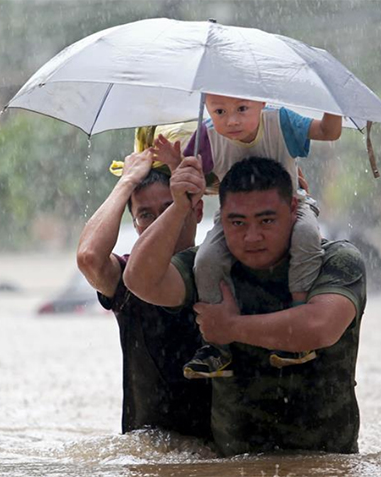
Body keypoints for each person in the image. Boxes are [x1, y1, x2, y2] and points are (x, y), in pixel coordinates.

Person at [123, 156, 366, 456]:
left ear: (293, 209)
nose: (252, 237)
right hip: (234, 463)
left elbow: (320, 327)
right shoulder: (208, 268)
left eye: (266, 220)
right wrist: (179, 206)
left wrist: (231, 327)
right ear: (221, 218)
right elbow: (140, 281)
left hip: (327, 462)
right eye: (237, 222)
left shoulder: (337, 259)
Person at [154, 94, 343, 378]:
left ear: (262, 102)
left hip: (291, 206)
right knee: (205, 260)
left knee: (306, 235)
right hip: (234, 219)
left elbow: (329, 132)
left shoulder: (280, 122)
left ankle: (298, 311)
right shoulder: (205, 136)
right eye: (219, 111)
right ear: (206, 107)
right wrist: (174, 165)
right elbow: (191, 180)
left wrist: (332, 100)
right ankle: (216, 347)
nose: (231, 120)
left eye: (242, 109)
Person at [76, 148, 211, 438]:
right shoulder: (127, 280)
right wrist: (125, 182)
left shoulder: (221, 268)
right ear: (135, 224)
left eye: (170, 207)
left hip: (219, 450)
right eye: (146, 215)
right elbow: (89, 258)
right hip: (148, 451)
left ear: (197, 211)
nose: (161, 222)